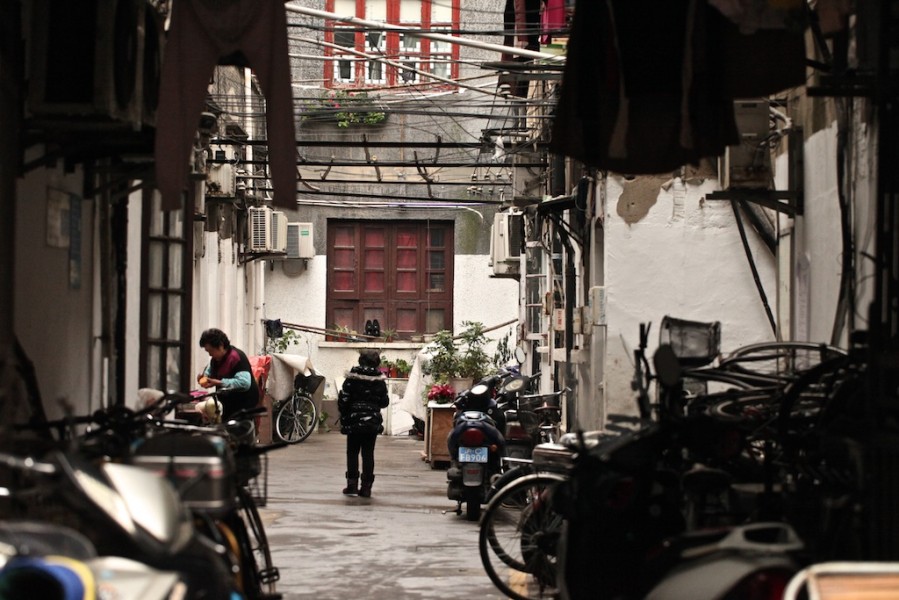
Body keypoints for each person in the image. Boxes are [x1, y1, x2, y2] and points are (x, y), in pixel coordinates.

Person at [338, 349, 390, 497]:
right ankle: (366, 487)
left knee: (352, 452)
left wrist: (345, 411)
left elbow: (344, 399)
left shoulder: (351, 379)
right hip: (371, 422)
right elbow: (384, 402)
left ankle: (352, 485)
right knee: (368, 453)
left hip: (354, 420)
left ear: (360, 361)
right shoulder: (379, 381)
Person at [197, 328, 259, 421]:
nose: (210, 354)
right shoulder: (215, 359)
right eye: (207, 351)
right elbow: (209, 373)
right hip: (226, 402)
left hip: (244, 403)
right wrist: (204, 379)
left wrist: (219, 382)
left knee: (238, 431)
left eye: (211, 351)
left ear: (221, 346)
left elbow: (244, 383)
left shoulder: (236, 357)